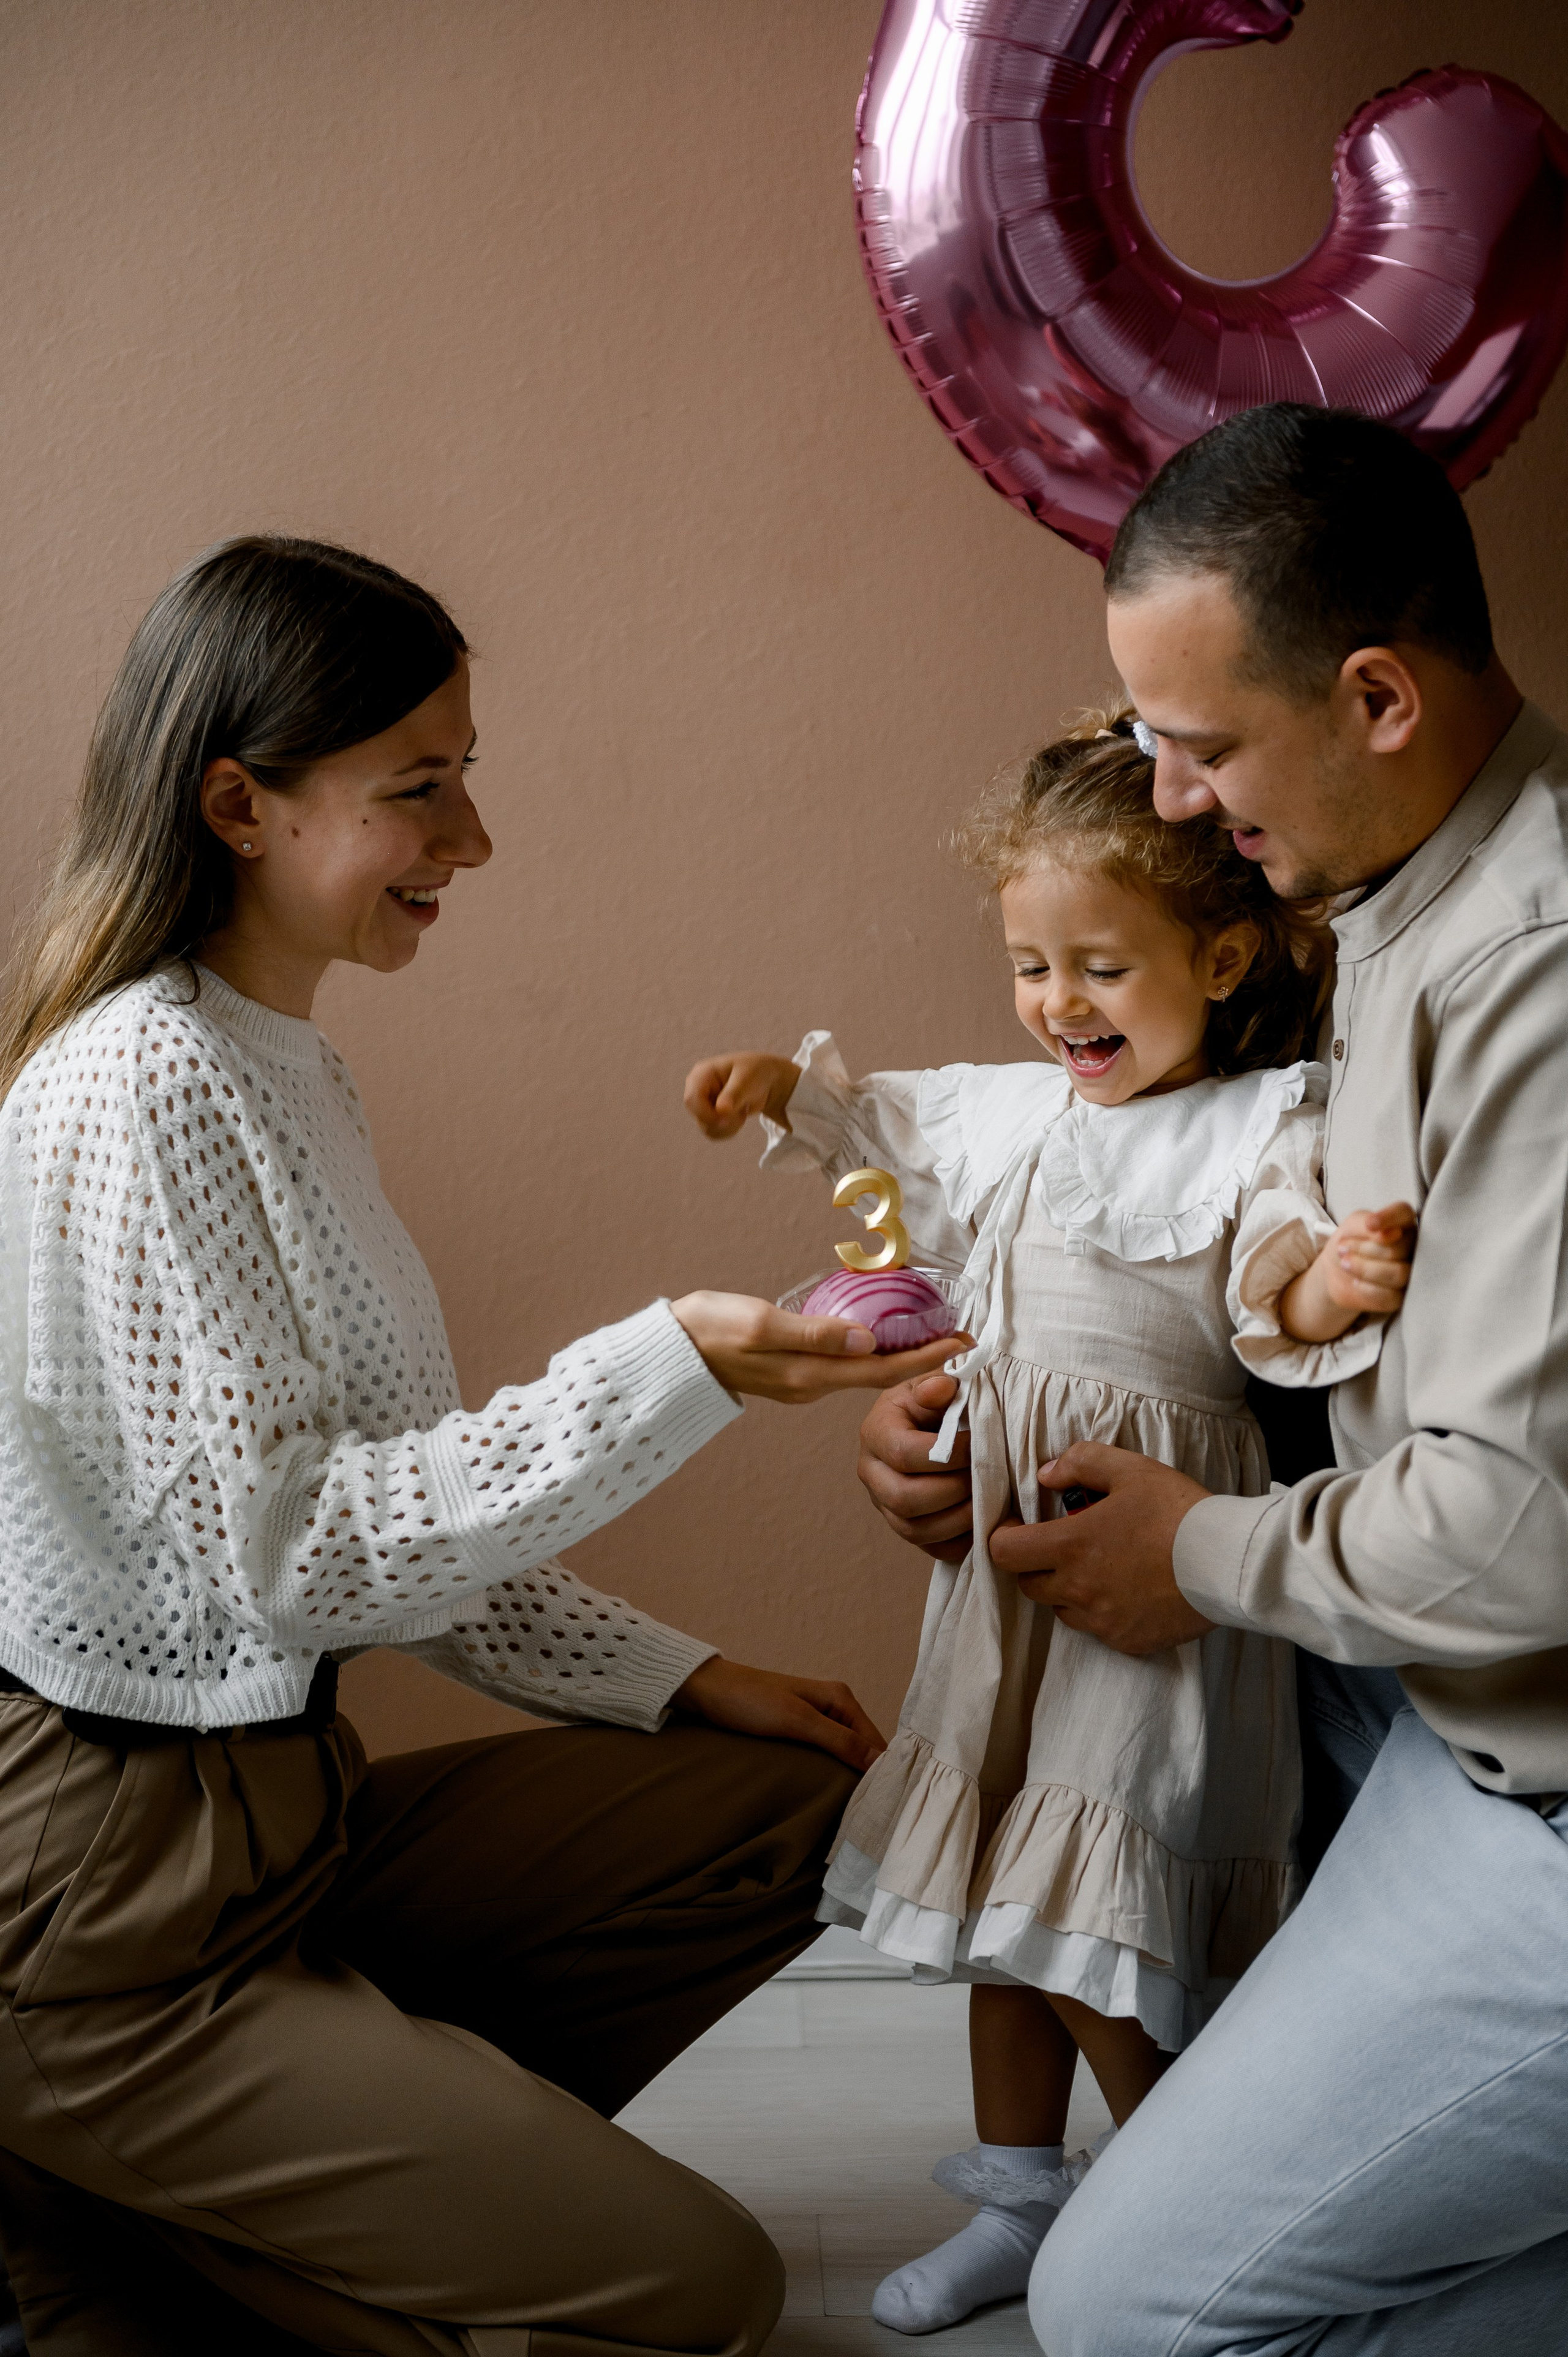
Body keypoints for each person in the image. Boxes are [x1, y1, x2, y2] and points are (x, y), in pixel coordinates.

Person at [0, 535, 965, 2357]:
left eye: (467, 776)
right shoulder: (143, 1084)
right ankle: (96, 2196)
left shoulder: (276, 1060)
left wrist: (684, 1680)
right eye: (418, 789)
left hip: (273, 1829)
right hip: (101, 1898)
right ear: (241, 805)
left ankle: (179, 2191)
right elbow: (296, 1558)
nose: (473, 842)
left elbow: (390, 1514)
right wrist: (673, 1366)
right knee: (699, 2298)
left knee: (794, 1805)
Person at [858, 404, 1568, 2355]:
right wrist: (981, 1424)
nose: (1167, 800)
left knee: (1137, 2313)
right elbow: (1306, 1330)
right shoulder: (1382, 901)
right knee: (1079, 1730)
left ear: (1377, 697)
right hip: (1425, 1707)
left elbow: (1519, 1534)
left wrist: (1205, 1552)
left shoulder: (1539, 973)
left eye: (1207, 743)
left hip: (1537, 1766)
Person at [684, 712, 1414, 2334]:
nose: (1056, 1005)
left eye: (1099, 966)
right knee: (1002, 1906)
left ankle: (1182, 2201)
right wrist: (781, 1103)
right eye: (1030, 965)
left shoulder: (1258, 1122)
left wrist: (1329, 1276)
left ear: (1222, 957)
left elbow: (1272, 1268)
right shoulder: (1023, 1114)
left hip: (1145, 1576)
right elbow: (892, 1127)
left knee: (1091, 1903)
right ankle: (1020, 2193)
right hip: (1006, 1580)